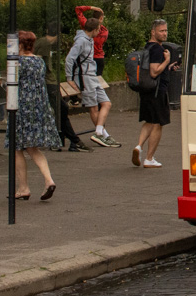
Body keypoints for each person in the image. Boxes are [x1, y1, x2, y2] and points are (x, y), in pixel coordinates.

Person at [10, 31, 60, 201]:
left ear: (21, 45)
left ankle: (23, 187)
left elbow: (12, 85)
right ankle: (48, 179)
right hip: (38, 108)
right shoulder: (39, 61)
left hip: (21, 107)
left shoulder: (17, 63)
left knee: (17, 148)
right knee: (33, 148)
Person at [65, 15, 119, 147]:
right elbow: (69, 59)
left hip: (92, 75)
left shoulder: (89, 39)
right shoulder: (81, 41)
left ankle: (99, 132)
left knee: (106, 103)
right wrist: (69, 79)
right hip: (84, 76)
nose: (99, 32)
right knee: (93, 107)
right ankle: (102, 135)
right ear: (94, 29)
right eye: (98, 29)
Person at [35, 22, 87, 152]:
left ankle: (65, 139)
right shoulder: (45, 44)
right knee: (61, 109)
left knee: (60, 110)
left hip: (50, 81)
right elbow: (39, 62)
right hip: (48, 82)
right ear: (58, 34)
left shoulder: (42, 42)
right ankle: (73, 140)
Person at [133, 19, 174, 169]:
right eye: (161, 31)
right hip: (157, 91)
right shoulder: (157, 49)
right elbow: (154, 71)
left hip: (147, 90)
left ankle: (138, 147)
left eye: (165, 30)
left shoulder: (148, 47)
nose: (164, 33)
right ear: (153, 32)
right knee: (158, 124)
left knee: (149, 121)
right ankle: (149, 158)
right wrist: (167, 60)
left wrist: (168, 67)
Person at [75, 5, 109, 76]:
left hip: (87, 57)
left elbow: (78, 9)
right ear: (101, 18)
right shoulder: (104, 31)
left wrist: (91, 7)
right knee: (98, 81)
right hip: (99, 58)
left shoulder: (86, 25)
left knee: (86, 79)